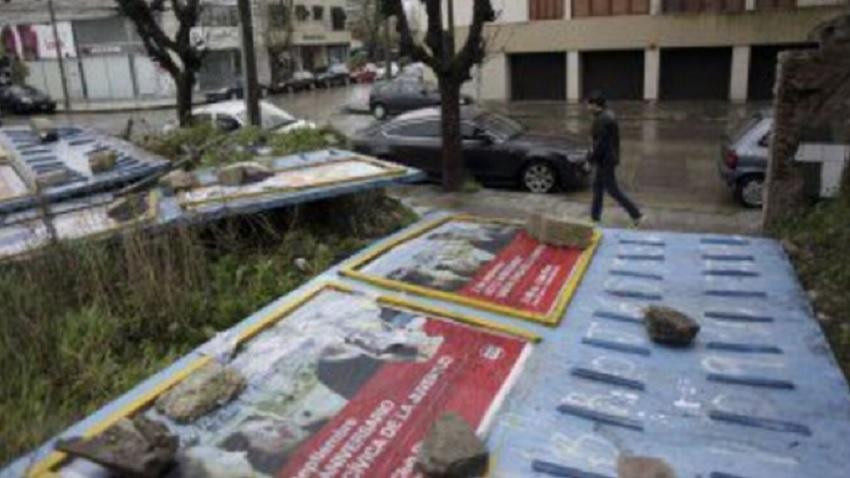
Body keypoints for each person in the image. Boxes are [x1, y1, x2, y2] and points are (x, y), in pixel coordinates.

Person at [586, 91, 642, 226]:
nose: (587, 107)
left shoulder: (602, 120)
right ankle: (594, 218)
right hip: (607, 158)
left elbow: (600, 145)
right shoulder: (606, 116)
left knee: (612, 190)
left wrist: (590, 160)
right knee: (597, 188)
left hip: (606, 160)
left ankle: (636, 214)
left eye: (589, 105)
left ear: (595, 105)